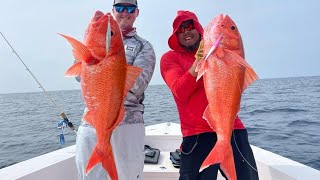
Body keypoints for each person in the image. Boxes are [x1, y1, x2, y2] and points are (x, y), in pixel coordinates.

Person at [160, 10, 259, 180]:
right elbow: (180, 92)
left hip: (232, 130)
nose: (186, 32)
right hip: (196, 135)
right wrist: (199, 62)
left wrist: (209, 55)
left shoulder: (223, 53)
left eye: (189, 26)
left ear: (199, 29)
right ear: (175, 36)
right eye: (180, 30)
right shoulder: (170, 59)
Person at [75, 0, 156, 179]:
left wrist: (111, 68)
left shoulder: (144, 47)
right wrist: (89, 54)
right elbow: (78, 76)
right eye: (119, 7)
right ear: (113, 10)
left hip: (129, 124)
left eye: (130, 8)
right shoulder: (91, 45)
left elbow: (138, 85)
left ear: (137, 13)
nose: (125, 12)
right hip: (92, 122)